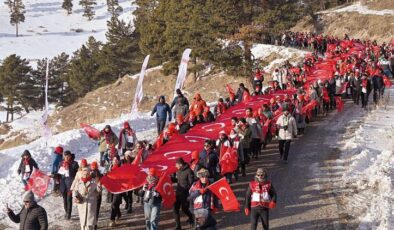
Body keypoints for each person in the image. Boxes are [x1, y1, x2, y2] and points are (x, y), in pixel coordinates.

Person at [73, 165, 102, 230]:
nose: (85, 173)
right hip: (82, 205)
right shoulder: (79, 182)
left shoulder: (93, 181)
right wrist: (75, 196)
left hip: (90, 205)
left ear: (89, 173)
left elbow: (98, 192)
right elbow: (75, 191)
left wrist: (99, 185)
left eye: (87, 172)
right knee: (83, 225)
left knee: (89, 225)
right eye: (84, 171)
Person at [173, 158, 195, 230]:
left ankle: (191, 217)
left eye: (176, 164)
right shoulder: (178, 171)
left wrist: (185, 188)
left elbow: (191, 183)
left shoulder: (189, 171)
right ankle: (178, 227)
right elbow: (178, 180)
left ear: (180, 164)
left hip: (185, 194)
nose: (175, 166)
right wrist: (169, 178)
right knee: (175, 209)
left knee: (184, 209)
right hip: (178, 193)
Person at [58, 150, 79, 220]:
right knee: (64, 199)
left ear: (70, 156)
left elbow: (78, 174)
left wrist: (76, 183)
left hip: (71, 183)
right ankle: (66, 211)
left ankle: (68, 214)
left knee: (69, 198)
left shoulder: (74, 163)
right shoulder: (61, 163)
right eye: (65, 156)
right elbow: (59, 173)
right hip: (63, 183)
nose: (66, 158)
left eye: (68, 156)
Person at [108, 158, 123, 227]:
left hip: (118, 189)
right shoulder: (110, 168)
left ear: (118, 161)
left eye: (116, 160)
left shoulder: (121, 168)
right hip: (111, 189)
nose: (115, 161)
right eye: (114, 160)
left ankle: (112, 220)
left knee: (113, 204)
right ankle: (119, 213)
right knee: (115, 204)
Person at [90, 161, 103, 226]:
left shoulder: (100, 174)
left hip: (97, 194)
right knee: (93, 210)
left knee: (96, 210)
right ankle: (94, 223)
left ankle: (94, 223)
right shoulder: (88, 174)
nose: (93, 171)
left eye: (94, 168)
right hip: (92, 194)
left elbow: (101, 183)